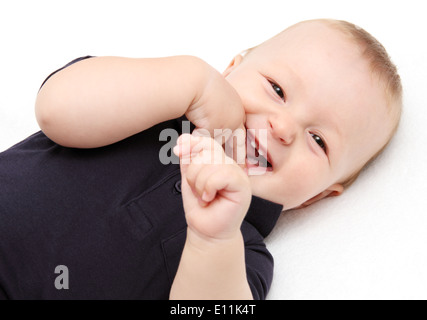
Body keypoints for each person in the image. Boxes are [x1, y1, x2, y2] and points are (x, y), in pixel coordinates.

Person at [0, 19, 402, 300]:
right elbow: (55, 109)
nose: (283, 128)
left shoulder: (242, 253)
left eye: (318, 140)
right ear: (231, 69)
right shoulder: (148, 106)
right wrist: (194, 80)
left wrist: (213, 240)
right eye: (277, 90)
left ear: (317, 196)